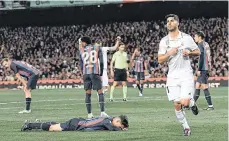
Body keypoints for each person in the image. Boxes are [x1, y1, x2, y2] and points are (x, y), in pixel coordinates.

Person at [157, 14, 200, 136]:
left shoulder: (186, 38)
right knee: (177, 104)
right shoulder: (164, 41)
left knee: (184, 102)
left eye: (172, 21)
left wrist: (190, 52)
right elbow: (160, 60)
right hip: (172, 75)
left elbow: (198, 51)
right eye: (168, 21)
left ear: (178, 23)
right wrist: (169, 53)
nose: (169, 23)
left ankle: (191, 103)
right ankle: (186, 127)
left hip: (186, 73)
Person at [79, 36, 108, 118]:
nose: (81, 43)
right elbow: (101, 62)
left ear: (85, 42)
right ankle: (102, 112)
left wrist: (83, 73)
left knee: (88, 94)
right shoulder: (97, 47)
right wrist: (101, 72)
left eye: (81, 42)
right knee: (100, 91)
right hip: (95, 72)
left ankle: (89, 114)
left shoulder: (81, 50)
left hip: (86, 73)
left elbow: (81, 64)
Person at [21, 115, 129, 132]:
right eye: (120, 125)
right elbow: (111, 128)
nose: (119, 126)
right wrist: (121, 130)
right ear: (118, 121)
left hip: (77, 123)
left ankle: (36, 123)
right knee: (52, 128)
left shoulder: (106, 119)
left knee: (57, 125)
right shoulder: (107, 121)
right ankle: (29, 125)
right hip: (77, 124)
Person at [193, 31, 214, 110]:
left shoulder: (200, 44)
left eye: (195, 36)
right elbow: (208, 56)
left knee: (204, 87)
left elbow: (201, 57)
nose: (194, 38)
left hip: (203, 69)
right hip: (206, 68)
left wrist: (199, 69)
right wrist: (210, 67)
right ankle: (192, 105)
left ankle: (210, 106)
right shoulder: (206, 44)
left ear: (199, 37)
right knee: (197, 85)